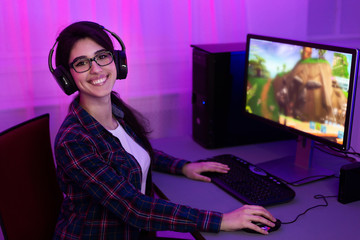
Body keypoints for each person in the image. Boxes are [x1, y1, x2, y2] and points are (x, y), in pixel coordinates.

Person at [51, 21, 276, 240]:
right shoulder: (74, 140)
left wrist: (184, 167)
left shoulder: (115, 111)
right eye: (82, 63)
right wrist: (222, 221)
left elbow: (128, 153)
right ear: (67, 77)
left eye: (102, 56)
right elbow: (134, 208)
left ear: (117, 60)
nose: (96, 69)